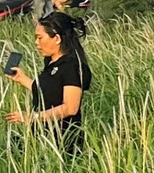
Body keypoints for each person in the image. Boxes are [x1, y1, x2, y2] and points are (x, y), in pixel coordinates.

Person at [7, 10, 92, 153]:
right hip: (42, 137)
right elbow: (49, 91)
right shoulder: (52, 64)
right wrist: (22, 79)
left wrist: (32, 117)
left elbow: (70, 108)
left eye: (40, 38)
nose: (36, 43)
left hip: (62, 141)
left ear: (57, 38)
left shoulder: (72, 66)